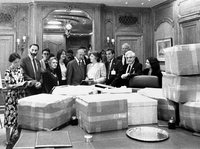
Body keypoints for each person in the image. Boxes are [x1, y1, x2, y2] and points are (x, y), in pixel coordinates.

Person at [4, 52, 28, 144]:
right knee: (10, 117)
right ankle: (7, 139)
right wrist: (15, 85)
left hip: (20, 94)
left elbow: (22, 80)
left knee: (19, 116)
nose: (17, 64)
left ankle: (16, 136)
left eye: (18, 62)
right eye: (15, 62)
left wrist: (25, 84)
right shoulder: (8, 71)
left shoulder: (20, 70)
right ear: (11, 62)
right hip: (11, 96)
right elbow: (7, 85)